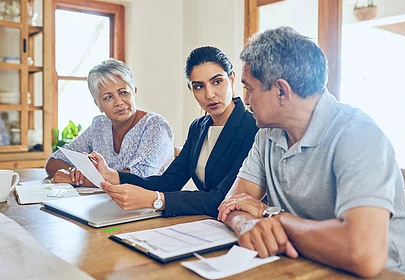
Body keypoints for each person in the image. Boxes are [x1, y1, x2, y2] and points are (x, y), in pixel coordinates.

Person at [217, 27, 405, 277]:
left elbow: (363, 253)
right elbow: (232, 204)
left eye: (250, 89)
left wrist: (271, 217)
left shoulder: (358, 134)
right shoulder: (267, 133)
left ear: (281, 91)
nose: (245, 100)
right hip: (310, 262)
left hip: (391, 272)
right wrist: (245, 223)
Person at [90, 46, 258, 217]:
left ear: (231, 79)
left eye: (217, 81)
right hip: (206, 221)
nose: (210, 94)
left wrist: (156, 199)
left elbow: (223, 197)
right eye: (199, 86)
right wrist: (113, 176)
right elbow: (169, 182)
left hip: (242, 223)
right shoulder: (198, 127)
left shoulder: (253, 127)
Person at [46, 59, 174, 186]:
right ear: (98, 104)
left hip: (150, 204)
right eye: (108, 97)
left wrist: (77, 180)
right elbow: (54, 161)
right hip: (106, 201)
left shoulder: (156, 126)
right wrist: (72, 173)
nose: (119, 102)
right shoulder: (100, 125)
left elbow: (140, 177)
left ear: (134, 92)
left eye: (123, 93)